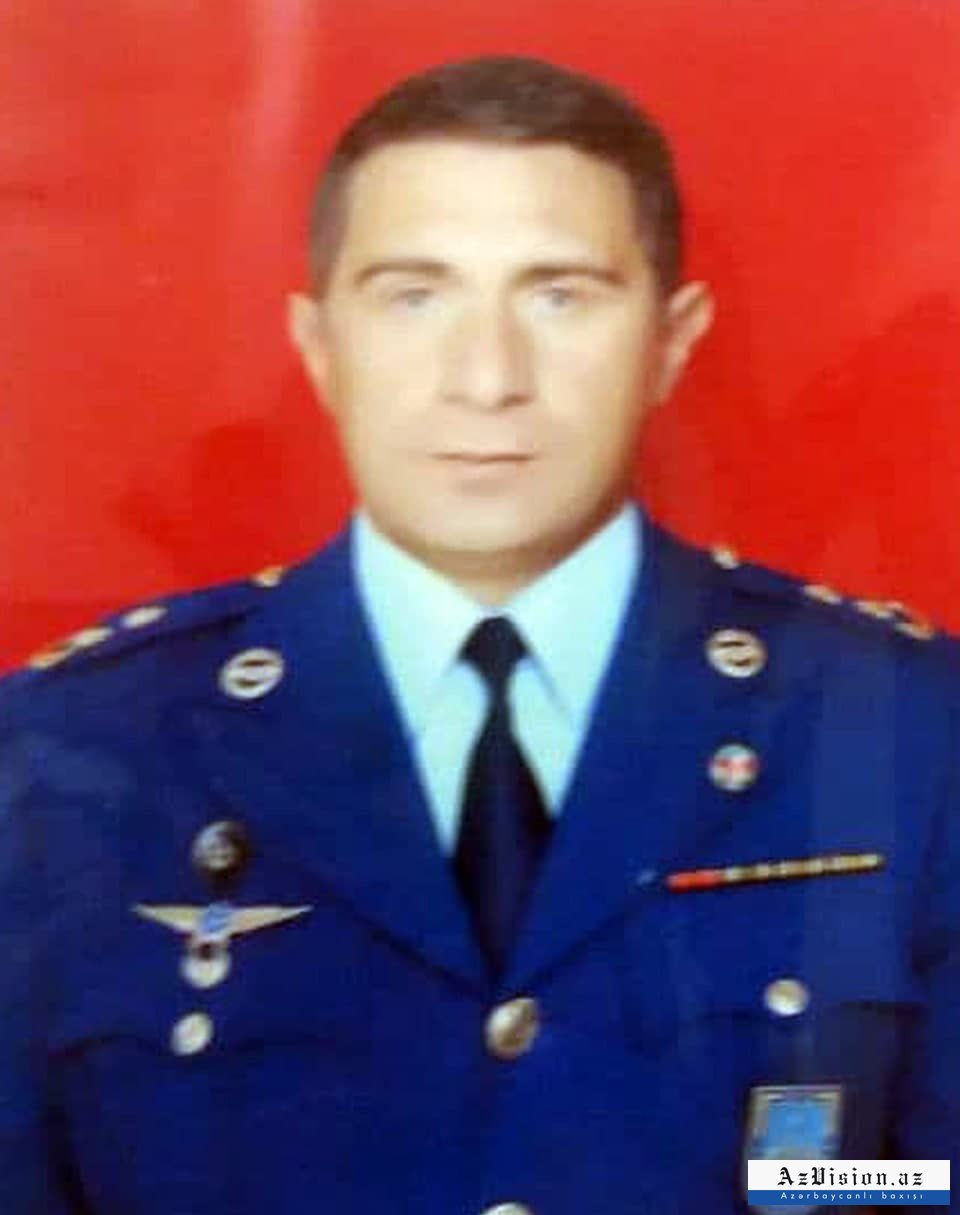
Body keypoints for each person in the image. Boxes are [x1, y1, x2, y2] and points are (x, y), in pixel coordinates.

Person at [1, 55, 957, 1215]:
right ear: (318, 344)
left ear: (672, 339)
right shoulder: (65, 753)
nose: (488, 378)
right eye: (415, 297)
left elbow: (933, 1183)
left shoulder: (907, 731)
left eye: (561, 296)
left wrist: (799, 1187)